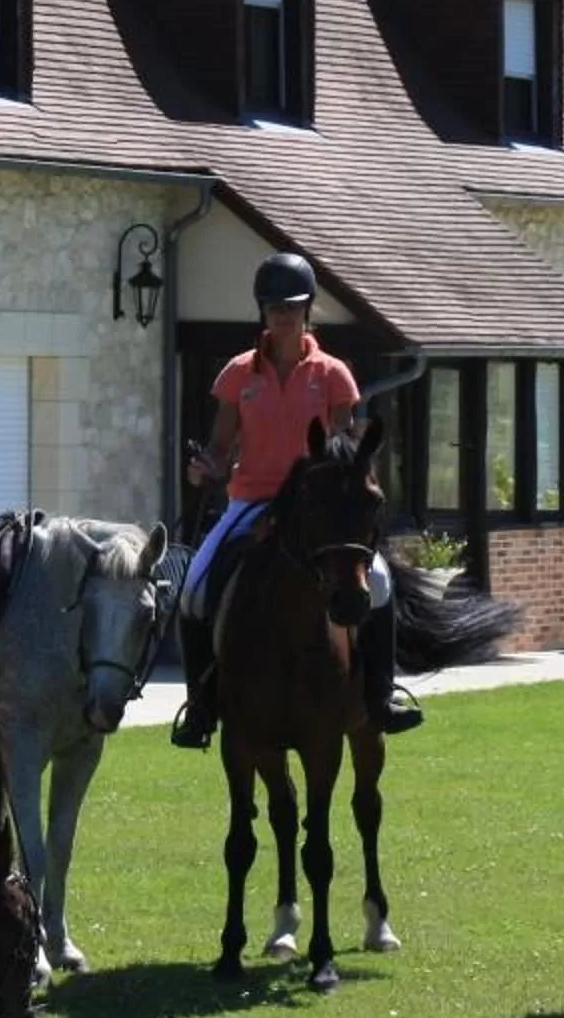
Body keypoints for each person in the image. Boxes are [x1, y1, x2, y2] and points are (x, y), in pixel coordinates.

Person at [169, 251, 422, 749]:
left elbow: (347, 450)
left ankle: (382, 694)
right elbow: (221, 447)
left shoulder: (333, 374)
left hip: (316, 506)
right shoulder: (237, 374)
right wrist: (206, 469)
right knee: (194, 586)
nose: (283, 316)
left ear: (308, 310)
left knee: (379, 582)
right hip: (251, 501)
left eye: (292, 307)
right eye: (273, 308)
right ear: (262, 312)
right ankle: (200, 708)